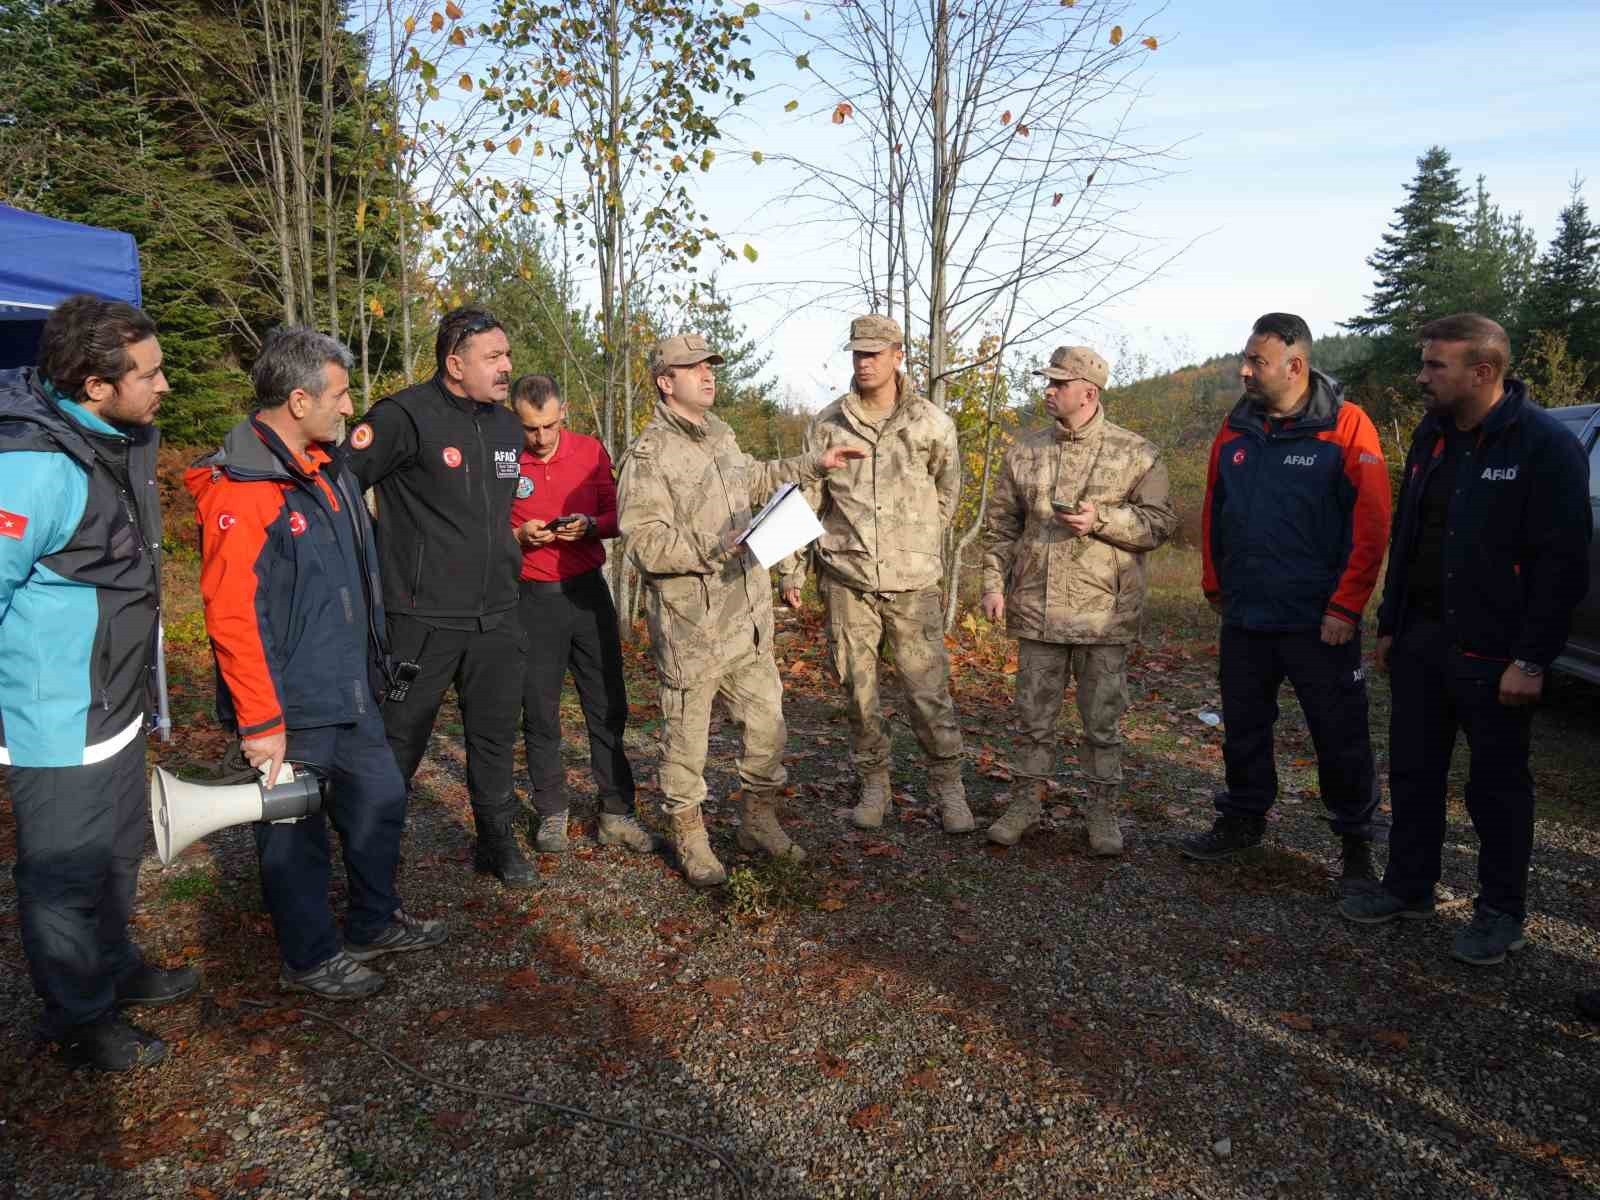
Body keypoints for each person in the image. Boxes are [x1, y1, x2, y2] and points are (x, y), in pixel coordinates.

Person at [188, 328, 447, 1000]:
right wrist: (261, 721)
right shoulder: (243, 489)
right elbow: (232, 615)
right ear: (299, 400)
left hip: (351, 689)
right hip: (289, 706)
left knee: (382, 802)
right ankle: (307, 957)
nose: (350, 406)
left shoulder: (327, 468)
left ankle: (372, 921)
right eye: (339, 394)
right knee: (292, 837)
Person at [1340, 314, 1591, 966]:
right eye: (1424, 363)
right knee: (1416, 772)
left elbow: (1562, 565)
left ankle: (1501, 913)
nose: (1421, 377)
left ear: (1483, 372)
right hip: (1424, 643)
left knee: (1497, 788)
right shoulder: (1432, 436)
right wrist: (1392, 624)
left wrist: (1532, 659)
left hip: (1495, 654)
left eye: (1434, 366)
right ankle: (1409, 887)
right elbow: (1411, 535)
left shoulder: (1541, 446)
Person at [0, 295, 194, 1071]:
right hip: (57, 718)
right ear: (93, 384)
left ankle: (114, 969)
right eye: (148, 374)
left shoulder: (111, 436)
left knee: (116, 852)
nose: (165, 385)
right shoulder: (30, 470)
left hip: (114, 705)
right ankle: (77, 1019)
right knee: (64, 874)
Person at [617, 334, 863, 887]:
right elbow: (644, 543)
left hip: (747, 620)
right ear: (665, 381)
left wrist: (813, 464)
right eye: (693, 368)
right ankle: (691, 835)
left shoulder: (721, 435)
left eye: (710, 366)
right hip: (692, 627)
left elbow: (752, 479)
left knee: (767, 729)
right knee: (686, 742)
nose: (707, 375)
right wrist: (713, 547)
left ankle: (758, 821)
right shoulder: (649, 455)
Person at [1186, 313, 1391, 891]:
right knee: (1245, 727)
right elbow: (1213, 510)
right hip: (1247, 613)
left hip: (1318, 620)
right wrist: (1214, 585)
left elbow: (1371, 526)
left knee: (1339, 733)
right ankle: (1243, 820)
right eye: (1245, 358)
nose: (1244, 370)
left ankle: (1355, 845)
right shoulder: (1236, 427)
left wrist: (1345, 608)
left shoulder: (1348, 427)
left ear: (1295, 365)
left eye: (1258, 361)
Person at [346, 307, 535, 887]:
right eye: (493, 357)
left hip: (497, 614)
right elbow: (341, 489)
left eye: (506, 355)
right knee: (399, 742)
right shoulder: (404, 417)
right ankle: (375, 861)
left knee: (495, 735)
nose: (507, 368)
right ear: (455, 364)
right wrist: (378, 563)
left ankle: (495, 841)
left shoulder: (506, 427)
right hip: (420, 618)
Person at [778, 315, 973, 834]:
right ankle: (874, 784)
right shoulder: (827, 425)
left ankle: (949, 788)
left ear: (897, 355)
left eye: (874, 353)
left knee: (927, 692)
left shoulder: (932, 423)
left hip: (913, 583)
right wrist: (793, 570)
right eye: (857, 354)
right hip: (848, 580)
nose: (864, 363)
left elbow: (947, 495)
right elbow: (808, 501)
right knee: (858, 691)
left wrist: (916, 543)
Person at [980, 346, 1177, 852]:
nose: (1047, 390)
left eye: (1057, 383)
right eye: (1046, 382)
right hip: (1037, 610)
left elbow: (1160, 524)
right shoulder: (1024, 452)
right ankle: (1025, 802)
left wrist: (1102, 520)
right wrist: (991, 583)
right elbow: (1000, 527)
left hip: (1103, 617)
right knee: (1032, 718)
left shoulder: (1138, 453)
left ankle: (1102, 812)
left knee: (1103, 722)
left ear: (1088, 392)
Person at [508, 374, 654, 855]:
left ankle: (616, 810)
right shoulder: (503, 458)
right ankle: (552, 811)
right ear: (516, 420)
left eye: (549, 426)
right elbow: (485, 530)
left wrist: (591, 526)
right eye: (531, 429)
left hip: (587, 594)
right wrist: (518, 538)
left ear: (563, 411)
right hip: (531, 598)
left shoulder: (590, 451)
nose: (542, 438)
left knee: (607, 706)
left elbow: (620, 516)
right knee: (540, 710)